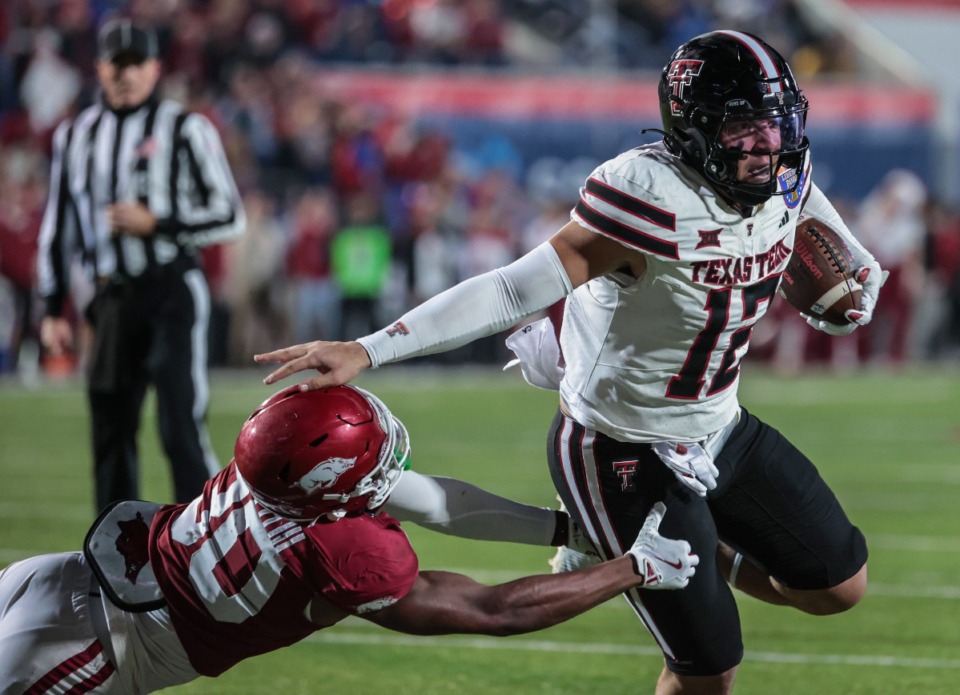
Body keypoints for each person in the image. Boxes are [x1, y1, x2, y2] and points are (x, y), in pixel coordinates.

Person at [255, 31, 885, 695]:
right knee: (710, 671)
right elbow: (507, 288)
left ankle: (708, 552)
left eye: (776, 125)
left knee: (837, 586)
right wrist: (368, 348)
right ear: (693, 131)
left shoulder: (783, 168)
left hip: (719, 423)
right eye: (742, 129)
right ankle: (639, 534)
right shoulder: (646, 196)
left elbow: (804, 199)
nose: (766, 147)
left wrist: (855, 264)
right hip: (621, 447)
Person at [0, 384, 698, 693]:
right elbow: (494, 610)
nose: (389, 468)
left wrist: (565, 527)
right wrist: (634, 566)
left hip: (51, 576)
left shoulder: (278, 455)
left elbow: (434, 499)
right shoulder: (339, 549)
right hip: (90, 650)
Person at [36, 19, 245, 510]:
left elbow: (229, 214)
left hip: (171, 287)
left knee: (179, 426)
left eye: (136, 64)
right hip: (110, 296)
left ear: (154, 69)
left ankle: (201, 549)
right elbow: (59, 224)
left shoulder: (186, 127)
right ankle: (116, 562)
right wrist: (50, 306)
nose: (126, 75)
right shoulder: (77, 134)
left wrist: (160, 223)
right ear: (99, 69)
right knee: (110, 429)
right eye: (116, 64)